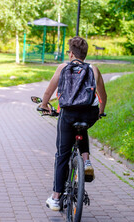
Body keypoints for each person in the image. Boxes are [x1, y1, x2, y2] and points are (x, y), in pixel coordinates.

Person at [40, 36, 107, 211]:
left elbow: (49, 91)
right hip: (89, 114)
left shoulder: (63, 68)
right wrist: (99, 112)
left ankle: (55, 198)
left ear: (71, 54)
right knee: (82, 125)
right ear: (84, 54)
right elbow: (103, 96)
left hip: (68, 114)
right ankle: (86, 162)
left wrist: (44, 104)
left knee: (62, 154)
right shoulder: (94, 69)